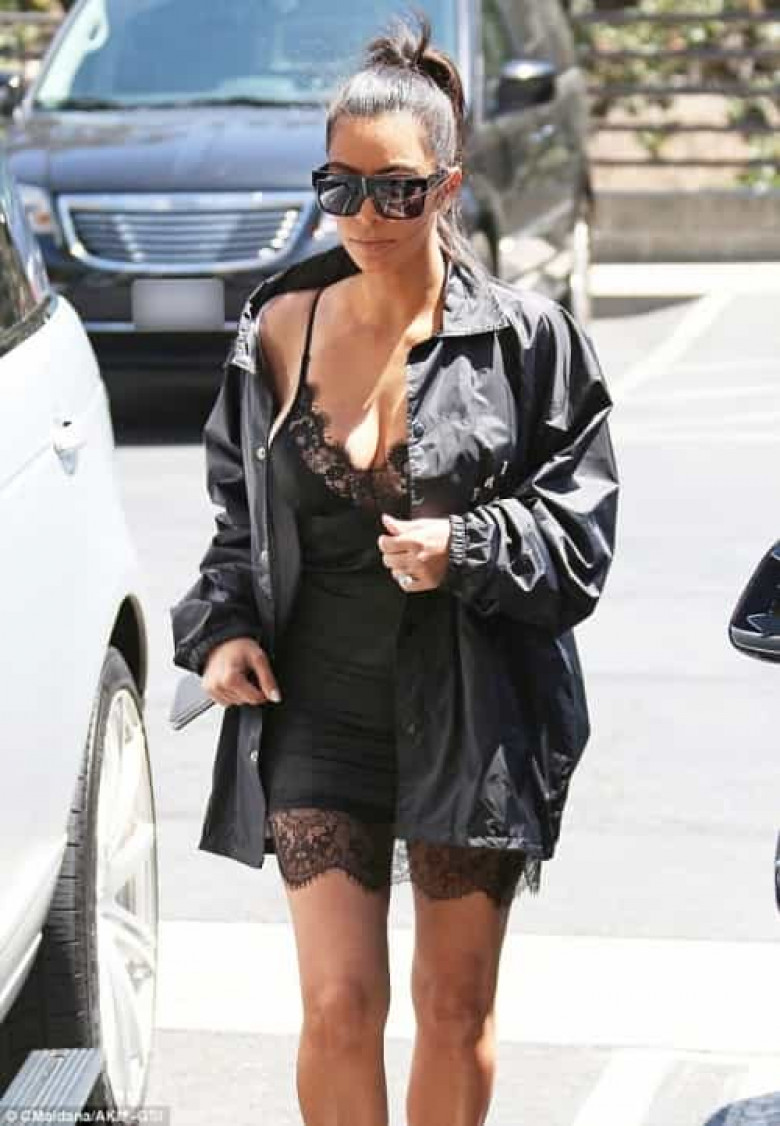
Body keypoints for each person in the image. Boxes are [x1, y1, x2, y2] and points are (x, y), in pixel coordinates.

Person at [170, 13, 618, 1126]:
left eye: (398, 191)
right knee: (337, 1004)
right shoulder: (278, 326)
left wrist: (466, 546)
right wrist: (224, 629)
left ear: (448, 187)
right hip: (318, 706)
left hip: (475, 707)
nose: (367, 215)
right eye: (342, 188)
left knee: (454, 1004)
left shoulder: (528, 343)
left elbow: (581, 540)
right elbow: (240, 519)